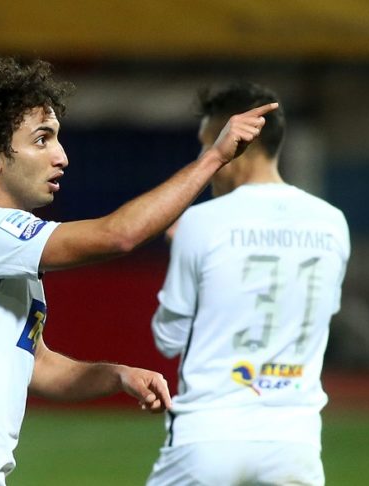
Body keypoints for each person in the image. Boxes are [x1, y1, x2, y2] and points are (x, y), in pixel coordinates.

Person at [0, 56, 278, 486]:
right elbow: (117, 235)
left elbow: (39, 366)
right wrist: (214, 158)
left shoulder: (4, 253)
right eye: (42, 139)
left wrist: (117, 374)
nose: (62, 157)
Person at [146, 81, 350, 486]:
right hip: (295, 443)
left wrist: (181, 253)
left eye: (207, 146)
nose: (204, 160)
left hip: (208, 437)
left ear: (235, 144)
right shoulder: (332, 223)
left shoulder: (200, 222)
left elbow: (168, 339)